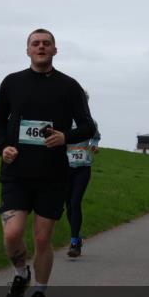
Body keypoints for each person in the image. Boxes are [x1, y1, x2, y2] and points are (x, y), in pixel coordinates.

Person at [0, 29, 95, 297]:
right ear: (27, 50)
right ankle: (21, 273)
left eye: (46, 43)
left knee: (41, 239)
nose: (41, 47)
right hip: (16, 172)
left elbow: (88, 126)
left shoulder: (69, 86)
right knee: (12, 234)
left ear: (54, 50)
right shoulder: (12, 83)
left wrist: (66, 137)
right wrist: (3, 148)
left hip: (52, 174)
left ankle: (39, 292)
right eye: (35, 43)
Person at [65, 98, 101, 258]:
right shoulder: (63, 119)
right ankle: (77, 237)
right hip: (65, 168)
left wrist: (94, 145)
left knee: (75, 202)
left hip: (83, 168)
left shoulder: (91, 122)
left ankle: (74, 243)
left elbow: (96, 136)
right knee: (68, 206)